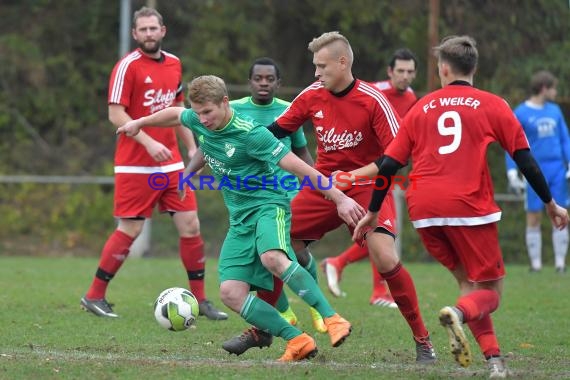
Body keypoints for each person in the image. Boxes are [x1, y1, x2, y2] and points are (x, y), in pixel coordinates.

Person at [353, 35, 569, 378]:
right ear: (474, 69)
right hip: (468, 208)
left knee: (470, 285)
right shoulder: (492, 104)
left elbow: (389, 165)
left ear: (443, 69)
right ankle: (458, 312)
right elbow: (524, 160)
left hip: (422, 210)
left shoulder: (420, 107)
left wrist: (374, 210)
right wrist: (551, 203)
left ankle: (494, 360)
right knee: (491, 293)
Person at [117, 75, 362, 361]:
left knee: (273, 258)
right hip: (239, 219)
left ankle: (333, 319)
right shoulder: (198, 119)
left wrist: (340, 198)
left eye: (208, 112)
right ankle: (297, 340)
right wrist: (140, 123)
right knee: (231, 293)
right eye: (198, 113)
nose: (202, 119)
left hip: (270, 206)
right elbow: (175, 114)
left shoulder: (251, 134)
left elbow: (299, 167)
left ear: (225, 102)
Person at [225, 31, 436, 364]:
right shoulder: (312, 95)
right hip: (324, 187)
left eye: (321, 66)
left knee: (385, 258)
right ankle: (262, 329)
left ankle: (423, 341)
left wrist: (353, 177)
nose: (316, 73)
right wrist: (235, 148)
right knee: (279, 241)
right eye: (314, 66)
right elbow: (276, 131)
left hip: (366, 187)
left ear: (343, 62)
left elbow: (396, 158)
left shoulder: (372, 100)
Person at [80, 6, 227, 320]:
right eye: (142, 29)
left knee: (191, 225)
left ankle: (200, 300)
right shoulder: (127, 67)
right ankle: (94, 295)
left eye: (153, 28)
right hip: (135, 164)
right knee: (130, 228)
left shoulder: (174, 63)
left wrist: (191, 148)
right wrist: (148, 140)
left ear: (163, 31)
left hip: (171, 164)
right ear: (135, 35)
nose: (148, 34)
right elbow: (116, 113)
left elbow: (178, 112)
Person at [229, 57, 328, 334]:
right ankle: (285, 311)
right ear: (250, 81)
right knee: (262, 260)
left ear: (278, 83)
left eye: (269, 79)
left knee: (295, 253)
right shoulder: (234, 111)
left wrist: (317, 183)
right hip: (248, 197)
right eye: (258, 78)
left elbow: (301, 152)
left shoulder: (289, 110)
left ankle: (317, 310)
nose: (263, 83)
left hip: (286, 194)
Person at [321, 48, 418, 307]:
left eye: (410, 72)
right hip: (363, 173)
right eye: (400, 71)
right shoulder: (375, 92)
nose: (405, 76)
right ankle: (377, 292)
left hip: (387, 173)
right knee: (381, 232)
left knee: (382, 233)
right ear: (390, 72)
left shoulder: (411, 97)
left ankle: (339, 264)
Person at [505, 70, 570, 273]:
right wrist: (511, 171)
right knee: (533, 215)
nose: (555, 92)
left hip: (557, 170)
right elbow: (511, 142)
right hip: (534, 170)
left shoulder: (555, 111)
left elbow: (564, 139)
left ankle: (560, 263)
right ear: (544, 88)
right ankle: (536, 265)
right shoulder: (521, 112)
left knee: (561, 213)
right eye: (553, 88)